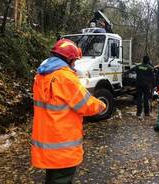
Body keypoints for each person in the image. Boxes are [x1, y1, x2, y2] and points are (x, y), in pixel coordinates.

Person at [31, 39, 106, 184]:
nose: (75, 64)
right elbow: (86, 105)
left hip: (47, 144)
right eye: (75, 61)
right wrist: (101, 105)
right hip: (63, 146)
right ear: (69, 59)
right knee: (61, 179)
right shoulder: (65, 77)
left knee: (52, 178)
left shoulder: (41, 76)